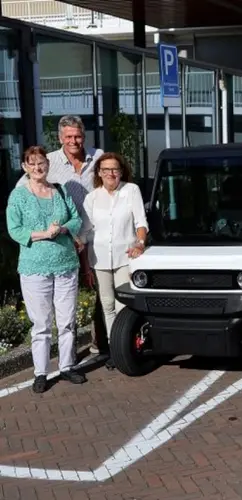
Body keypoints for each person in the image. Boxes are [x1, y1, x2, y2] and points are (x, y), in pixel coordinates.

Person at [17, 115, 105, 353]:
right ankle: (66, 356)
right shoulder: (48, 161)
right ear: (60, 138)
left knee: (100, 292)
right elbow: (22, 191)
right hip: (64, 241)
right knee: (66, 302)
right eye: (68, 137)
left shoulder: (98, 157)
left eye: (77, 136)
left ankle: (101, 343)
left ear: (84, 135)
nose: (74, 141)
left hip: (95, 235)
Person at [6, 146, 87, 393]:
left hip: (65, 264)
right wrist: (43, 234)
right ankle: (40, 372)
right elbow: (15, 230)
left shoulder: (60, 190)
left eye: (41, 162)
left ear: (47, 165)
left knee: (67, 320)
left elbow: (76, 219)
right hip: (34, 267)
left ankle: (67, 366)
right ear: (25, 167)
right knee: (41, 323)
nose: (38, 167)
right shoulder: (18, 196)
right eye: (32, 164)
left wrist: (62, 229)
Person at [79, 152, 149, 369]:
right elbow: (85, 230)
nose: (111, 173)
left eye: (115, 169)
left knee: (123, 305)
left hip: (125, 256)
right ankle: (114, 348)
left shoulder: (131, 190)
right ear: (99, 173)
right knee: (107, 305)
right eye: (106, 169)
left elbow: (141, 221)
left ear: (121, 171)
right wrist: (76, 245)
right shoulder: (91, 198)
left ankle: (126, 347)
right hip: (99, 259)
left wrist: (140, 243)